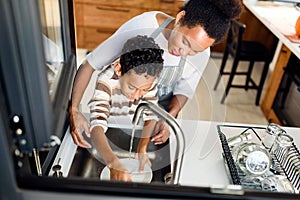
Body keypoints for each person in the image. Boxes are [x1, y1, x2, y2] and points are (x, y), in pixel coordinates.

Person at [68, 0, 243, 148]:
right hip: (116, 113)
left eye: (193, 51)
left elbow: (184, 91)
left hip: (155, 118)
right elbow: (89, 64)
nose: (184, 52)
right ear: (180, 18)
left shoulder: (203, 54)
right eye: (184, 41)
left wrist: (168, 118)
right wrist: (74, 109)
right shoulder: (143, 26)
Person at [87, 35, 164, 181]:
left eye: (143, 90)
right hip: (111, 125)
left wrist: (142, 147)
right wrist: (112, 162)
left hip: (132, 125)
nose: (136, 96)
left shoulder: (149, 78)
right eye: (131, 87)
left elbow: (150, 114)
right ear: (119, 69)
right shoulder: (106, 81)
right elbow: (96, 126)